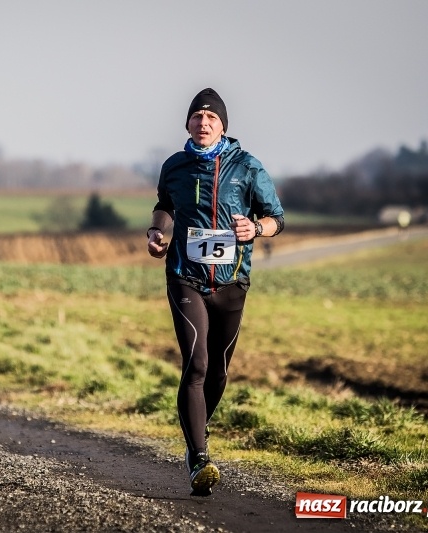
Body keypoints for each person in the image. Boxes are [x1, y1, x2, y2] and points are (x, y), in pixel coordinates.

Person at [146, 88, 284, 497]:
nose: (203, 124)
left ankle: (196, 430)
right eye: (196, 118)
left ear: (223, 126)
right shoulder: (175, 166)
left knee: (219, 371)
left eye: (211, 119)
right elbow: (164, 205)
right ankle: (199, 457)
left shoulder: (248, 167)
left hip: (232, 281)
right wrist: (157, 231)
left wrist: (256, 229)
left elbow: (276, 218)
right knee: (197, 363)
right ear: (187, 124)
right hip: (184, 278)